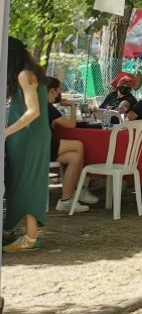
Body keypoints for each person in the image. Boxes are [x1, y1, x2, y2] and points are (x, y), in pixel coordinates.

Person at [4, 37, 50, 253]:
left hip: (28, 136)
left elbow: (33, 111)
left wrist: (5, 132)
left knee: (27, 182)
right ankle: (19, 232)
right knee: (22, 181)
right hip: (29, 135)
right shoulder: (29, 72)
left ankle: (30, 238)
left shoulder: (24, 74)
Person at [46, 77, 94, 213]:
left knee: (74, 157)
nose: (58, 95)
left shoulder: (42, 106)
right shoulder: (47, 107)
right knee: (78, 145)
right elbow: (71, 124)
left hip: (40, 146)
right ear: (51, 91)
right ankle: (77, 190)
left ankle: (67, 199)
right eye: (57, 91)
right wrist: (73, 106)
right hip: (42, 147)